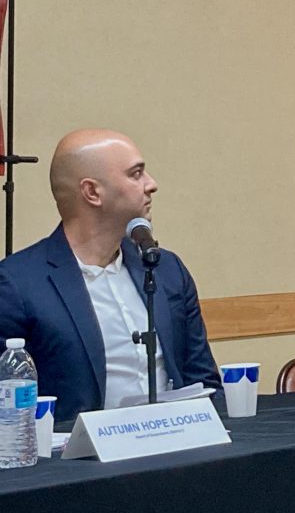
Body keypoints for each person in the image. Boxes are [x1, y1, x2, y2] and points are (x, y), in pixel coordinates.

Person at [0, 129, 221, 421]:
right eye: (136, 174)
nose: (151, 184)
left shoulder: (166, 270)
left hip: (178, 450)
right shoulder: (17, 284)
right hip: (80, 462)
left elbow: (203, 381)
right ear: (92, 192)